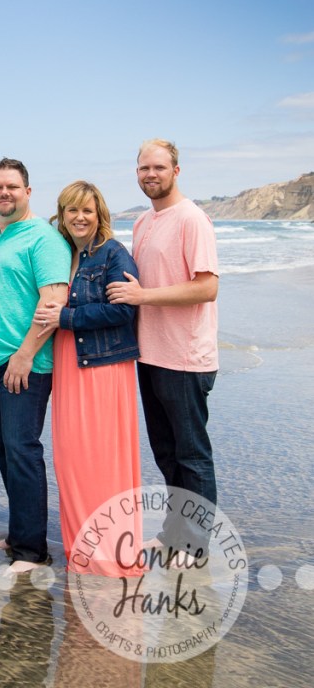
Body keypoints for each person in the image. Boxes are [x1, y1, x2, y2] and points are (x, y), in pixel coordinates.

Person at [106, 139, 219, 562]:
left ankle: (195, 543)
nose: (150, 174)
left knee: (192, 454)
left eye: (158, 167)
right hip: (150, 354)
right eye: (143, 169)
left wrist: (143, 297)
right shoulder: (142, 223)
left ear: (176, 170)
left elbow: (207, 286)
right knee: (166, 452)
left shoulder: (192, 219)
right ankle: (175, 534)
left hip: (186, 356)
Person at [33, 181, 142, 576]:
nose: (80, 218)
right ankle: (81, 546)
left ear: (100, 216)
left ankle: (110, 553)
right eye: (72, 211)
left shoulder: (113, 253)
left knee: (102, 457)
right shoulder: (64, 255)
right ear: (61, 215)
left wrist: (66, 318)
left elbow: (123, 311)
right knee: (72, 458)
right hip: (68, 361)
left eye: (88, 211)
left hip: (103, 367)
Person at [0, 158, 71, 574]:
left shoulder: (43, 239)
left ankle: (32, 551)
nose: (4, 193)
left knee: (22, 450)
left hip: (25, 363)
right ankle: (19, 533)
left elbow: (54, 301)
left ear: (28, 192)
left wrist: (25, 354)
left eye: (12, 186)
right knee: (3, 449)